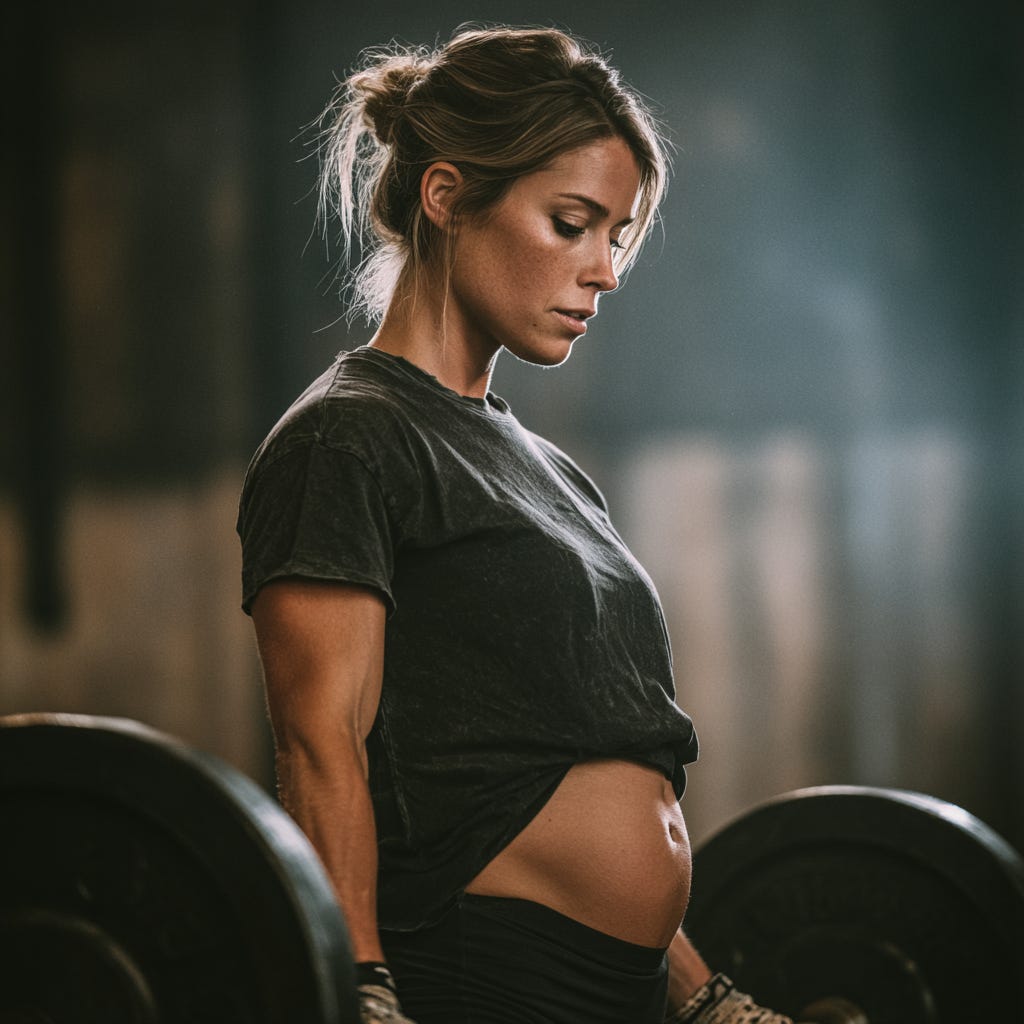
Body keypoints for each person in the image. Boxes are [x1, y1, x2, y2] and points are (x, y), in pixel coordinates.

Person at [237, 25, 800, 1024]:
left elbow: (559, 769)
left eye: (614, 236)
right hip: (480, 976)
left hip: (619, 992)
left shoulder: (550, 472)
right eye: (571, 222)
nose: (604, 272)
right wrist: (359, 989)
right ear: (446, 197)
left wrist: (703, 999)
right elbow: (320, 746)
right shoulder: (346, 442)